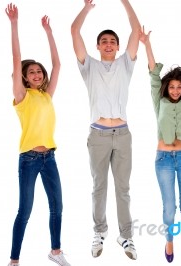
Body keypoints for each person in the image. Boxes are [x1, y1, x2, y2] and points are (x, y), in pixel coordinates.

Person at [70, 0, 141, 260]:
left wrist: (124, 2)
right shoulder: (89, 66)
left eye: (113, 41)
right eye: (104, 41)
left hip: (122, 135)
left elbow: (135, 30)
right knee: (99, 186)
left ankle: (126, 236)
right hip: (98, 135)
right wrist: (87, 9)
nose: (109, 44)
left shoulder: (126, 64)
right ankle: (99, 231)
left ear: (118, 46)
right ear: (98, 47)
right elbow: (74, 32)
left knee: (123, 188)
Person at [5, 3, 70, 266]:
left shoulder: (46, 95)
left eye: (38, 71)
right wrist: (14, 24)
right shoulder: (22, 96)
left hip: (49, 158)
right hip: (29, 159)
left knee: (58, 207)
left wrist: (49, 31)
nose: (36, 73)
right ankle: (14, 260)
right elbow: (16, 57)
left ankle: (55, 252)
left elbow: (57, 64)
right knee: (25, 211)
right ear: (23, 77)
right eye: (31, 71)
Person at [139, 25, 181, 265]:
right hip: (163, 160)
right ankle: (168, 239)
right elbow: (154, 76)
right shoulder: (159, 101)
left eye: (179, 87)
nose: (176, 90)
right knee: (169, 207)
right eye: (172, 87)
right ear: (167, 88)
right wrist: (147, 45)